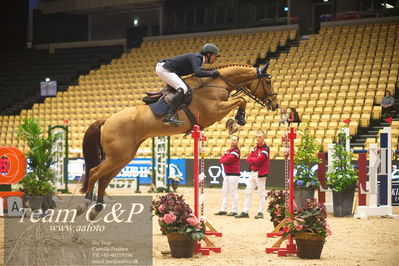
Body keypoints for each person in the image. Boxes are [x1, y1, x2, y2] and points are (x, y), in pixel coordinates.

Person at [155, 43, 221, 126]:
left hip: (168, 69)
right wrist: (211, 73)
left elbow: (199, 71)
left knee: (183, 87)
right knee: (183, 88)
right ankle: (169, 116)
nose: (216, 59)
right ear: (209, 54)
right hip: (165, 69)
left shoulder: (199, 60)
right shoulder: (197, 57)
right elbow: (197, 73)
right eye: (215, 56)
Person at [235, 130, 270, 219]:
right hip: (252, 173)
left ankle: (260, 212)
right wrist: (254, 160)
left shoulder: (265, 149)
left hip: (260, 173)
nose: (258, 139)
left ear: (264, 138)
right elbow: (248, 159)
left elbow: (259, 160)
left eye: (260, 137)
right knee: (247, 191)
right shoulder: (255, 148)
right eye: (257, 137)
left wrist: (253, 160)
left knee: (261, 193)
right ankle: (245, 211)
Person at [215, 135, 241, 216]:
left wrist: (224, 159)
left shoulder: (236, 151)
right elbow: (223, 159)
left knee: (233, 192)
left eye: (235, 140)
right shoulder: (228, 150)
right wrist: (224, 159)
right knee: (225, 192)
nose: (233, 141)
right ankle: (223, 209)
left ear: (237, 142)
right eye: (232, 140)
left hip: (234, 174)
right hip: (227, 174)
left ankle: (234, 210)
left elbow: (227, 159)